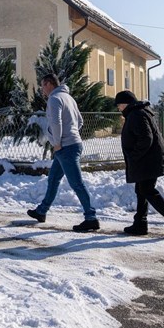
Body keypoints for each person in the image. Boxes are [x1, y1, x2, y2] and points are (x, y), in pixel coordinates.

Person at [27, 73, 100, 232]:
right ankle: (41, 211)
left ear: (48, 84)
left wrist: (58, 142)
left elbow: (55, 122)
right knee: (53, 179)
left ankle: (91, 217)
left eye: (42, 85)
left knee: (77, 183)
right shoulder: (68, 98)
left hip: (65, 147)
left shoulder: (54, 99)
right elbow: (79, 121)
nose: (41, 90)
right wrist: (71, 134)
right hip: (71, 145)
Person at [115, 90, 164, 236]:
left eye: (119, 105)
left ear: (125, 103)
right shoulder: (137, 112)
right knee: (141, 190)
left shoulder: (136, 114)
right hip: (147, 160)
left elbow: (146, 138)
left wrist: (134, 155)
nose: (118, 108)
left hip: (147, 161)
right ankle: (140, 223)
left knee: (146, 190)